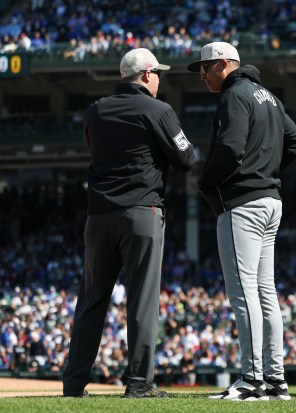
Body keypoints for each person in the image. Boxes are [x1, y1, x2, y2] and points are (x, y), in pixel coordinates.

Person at [62, 48, 195, 398]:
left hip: (99, 216)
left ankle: (74, 384)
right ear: (148, 74)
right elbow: (186, 158)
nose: (160, 80)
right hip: (142, 212)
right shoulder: (158, 109)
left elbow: (93, 147)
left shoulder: (96, 110)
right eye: (159, 74)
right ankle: (138, 384)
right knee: (141, 301)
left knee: (91, 301)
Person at [186, 42, 296, 401]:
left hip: (244, 204)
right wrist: (265, 172)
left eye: (205, 67)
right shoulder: (269, 96)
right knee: (266, 293)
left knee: (244, 294)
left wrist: (205, 181)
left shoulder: (234, 95)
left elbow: (231, 148)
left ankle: (252, 379)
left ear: (224, 64)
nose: (202, 75)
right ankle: (276, 379)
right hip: (270, 201)